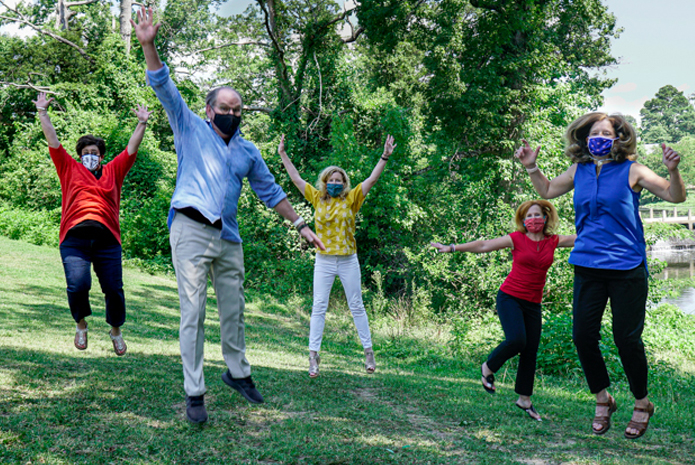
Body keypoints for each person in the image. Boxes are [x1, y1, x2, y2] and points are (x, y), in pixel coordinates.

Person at [131, 8, 324, 424]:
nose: (232, 115)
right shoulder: (189, 126)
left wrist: (302, 225)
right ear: (208, 109)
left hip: (229, 238)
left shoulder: (247, 150)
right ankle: (194, 392)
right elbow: (163, 85)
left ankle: (237, 373)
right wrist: (148, 44)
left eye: (238, 110)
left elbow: (271, 193)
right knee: (194, 312)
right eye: (225, 108)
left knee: (234, 310)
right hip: (190, 229)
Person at [515, 112, 685, 438]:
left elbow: (675, 196)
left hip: (626, 268)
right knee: (582, 336)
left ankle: (641, 402)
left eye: (607, 133)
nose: (601, 138)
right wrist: (531, 167)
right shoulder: (579, 171)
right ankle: (603, 399)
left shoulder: (632, 170)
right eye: (595, 133)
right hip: (588, 266)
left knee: (626, 339)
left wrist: (673, 171)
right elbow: (548, 191)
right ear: (584, 139)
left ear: (619, 139)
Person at [432, 200, 575, 421]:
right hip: (510, 297)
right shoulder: (516, 239)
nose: (533, 220)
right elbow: (483, 245)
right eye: (528, 216)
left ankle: (524, 399)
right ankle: (488, 366)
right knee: (517, 340)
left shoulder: (553, 241)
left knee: (530, 350)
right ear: (523, 221)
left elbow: (583, 238)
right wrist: (452, 248)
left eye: (537, 215)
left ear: (545, 218)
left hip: (533, 303)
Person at [33, 92, 151, 357]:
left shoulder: (113, 171)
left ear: (101, 156)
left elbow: (131, 149)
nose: (89, 156)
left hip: (107, 240)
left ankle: (116, 330)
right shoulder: (69, 168)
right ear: (80, 155)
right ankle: (81, 325)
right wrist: (42, 111)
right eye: (85, 153)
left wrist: (142, 123)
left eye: (94, 153)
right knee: (78, 285)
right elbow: (53, 141)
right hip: (74, 239)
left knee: (113, 289)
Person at [278, 134, 395, 378]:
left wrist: (384, 156)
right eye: (331, 179)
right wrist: (283, 154)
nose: (334, 183)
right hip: (324, 261)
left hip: (348, 260)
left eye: (339, 180)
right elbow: (296, 178)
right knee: (319, 306)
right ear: (324, 182)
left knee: (356, 305)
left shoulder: (352, 199)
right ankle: (313, 357)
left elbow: (372, 179)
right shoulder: (317, 197)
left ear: (344, 183)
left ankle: (368, 353)